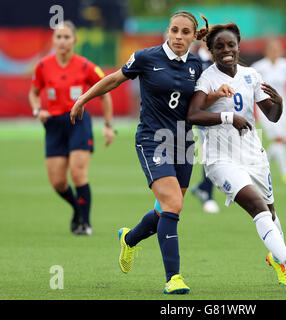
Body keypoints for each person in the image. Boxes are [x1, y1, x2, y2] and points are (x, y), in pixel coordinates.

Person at [70, 11, 218, 294]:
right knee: (173, 204)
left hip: (184, 142)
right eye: (174, 30)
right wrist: (84, 98)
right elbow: (114, 80)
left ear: (192, 36)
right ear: (167, 30)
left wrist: (219, 95)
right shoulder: (146, 57)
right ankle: (173, 278)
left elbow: (200, 102)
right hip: (152, 141)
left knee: (166, 209)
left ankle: (129, 239)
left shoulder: (197, 66)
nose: (178, 36)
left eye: (185, 32)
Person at [187, 22, 286, 286]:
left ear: (239, 47)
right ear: (212, 51)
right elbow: (193, 115)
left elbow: (272, 117)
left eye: (231, 45)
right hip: (221, 159)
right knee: (257, 208)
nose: (226, 50)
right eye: (219, 46)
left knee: (271, 213)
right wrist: (228, 117)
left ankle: (277, 259)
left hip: (254, 155)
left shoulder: (251, 75)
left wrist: (280, 103)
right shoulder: (207, 79)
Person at [28, 20, 115, 236]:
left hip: (78, 121)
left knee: (77, 174)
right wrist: (38, 110)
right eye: (59, 37)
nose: (62, 41)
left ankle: (85, 223)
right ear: (54, 40)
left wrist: (108, 125)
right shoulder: (42, 66)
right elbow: (33, 92)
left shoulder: (86, 66)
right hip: (54, 125)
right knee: (58, 182)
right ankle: (77, 210)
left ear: (74, 40)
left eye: (67, 37)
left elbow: (106, 93)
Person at [251, 39, 286, 184]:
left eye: (278, 49)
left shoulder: (285, 65)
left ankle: (259, 168)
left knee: (283, 141)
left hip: (283, 109)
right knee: (278, 139)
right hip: (266, 109)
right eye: (272, 49)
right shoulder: (258, 67)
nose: (275, 52)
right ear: (266, 51)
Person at [190, 42, 220, 213]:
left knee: (220, 155)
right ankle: (207, 195)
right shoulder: (195, 61)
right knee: (210, 154)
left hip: (219, 112)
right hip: (203, 114)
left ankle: (202, 187)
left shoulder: (219, 60)